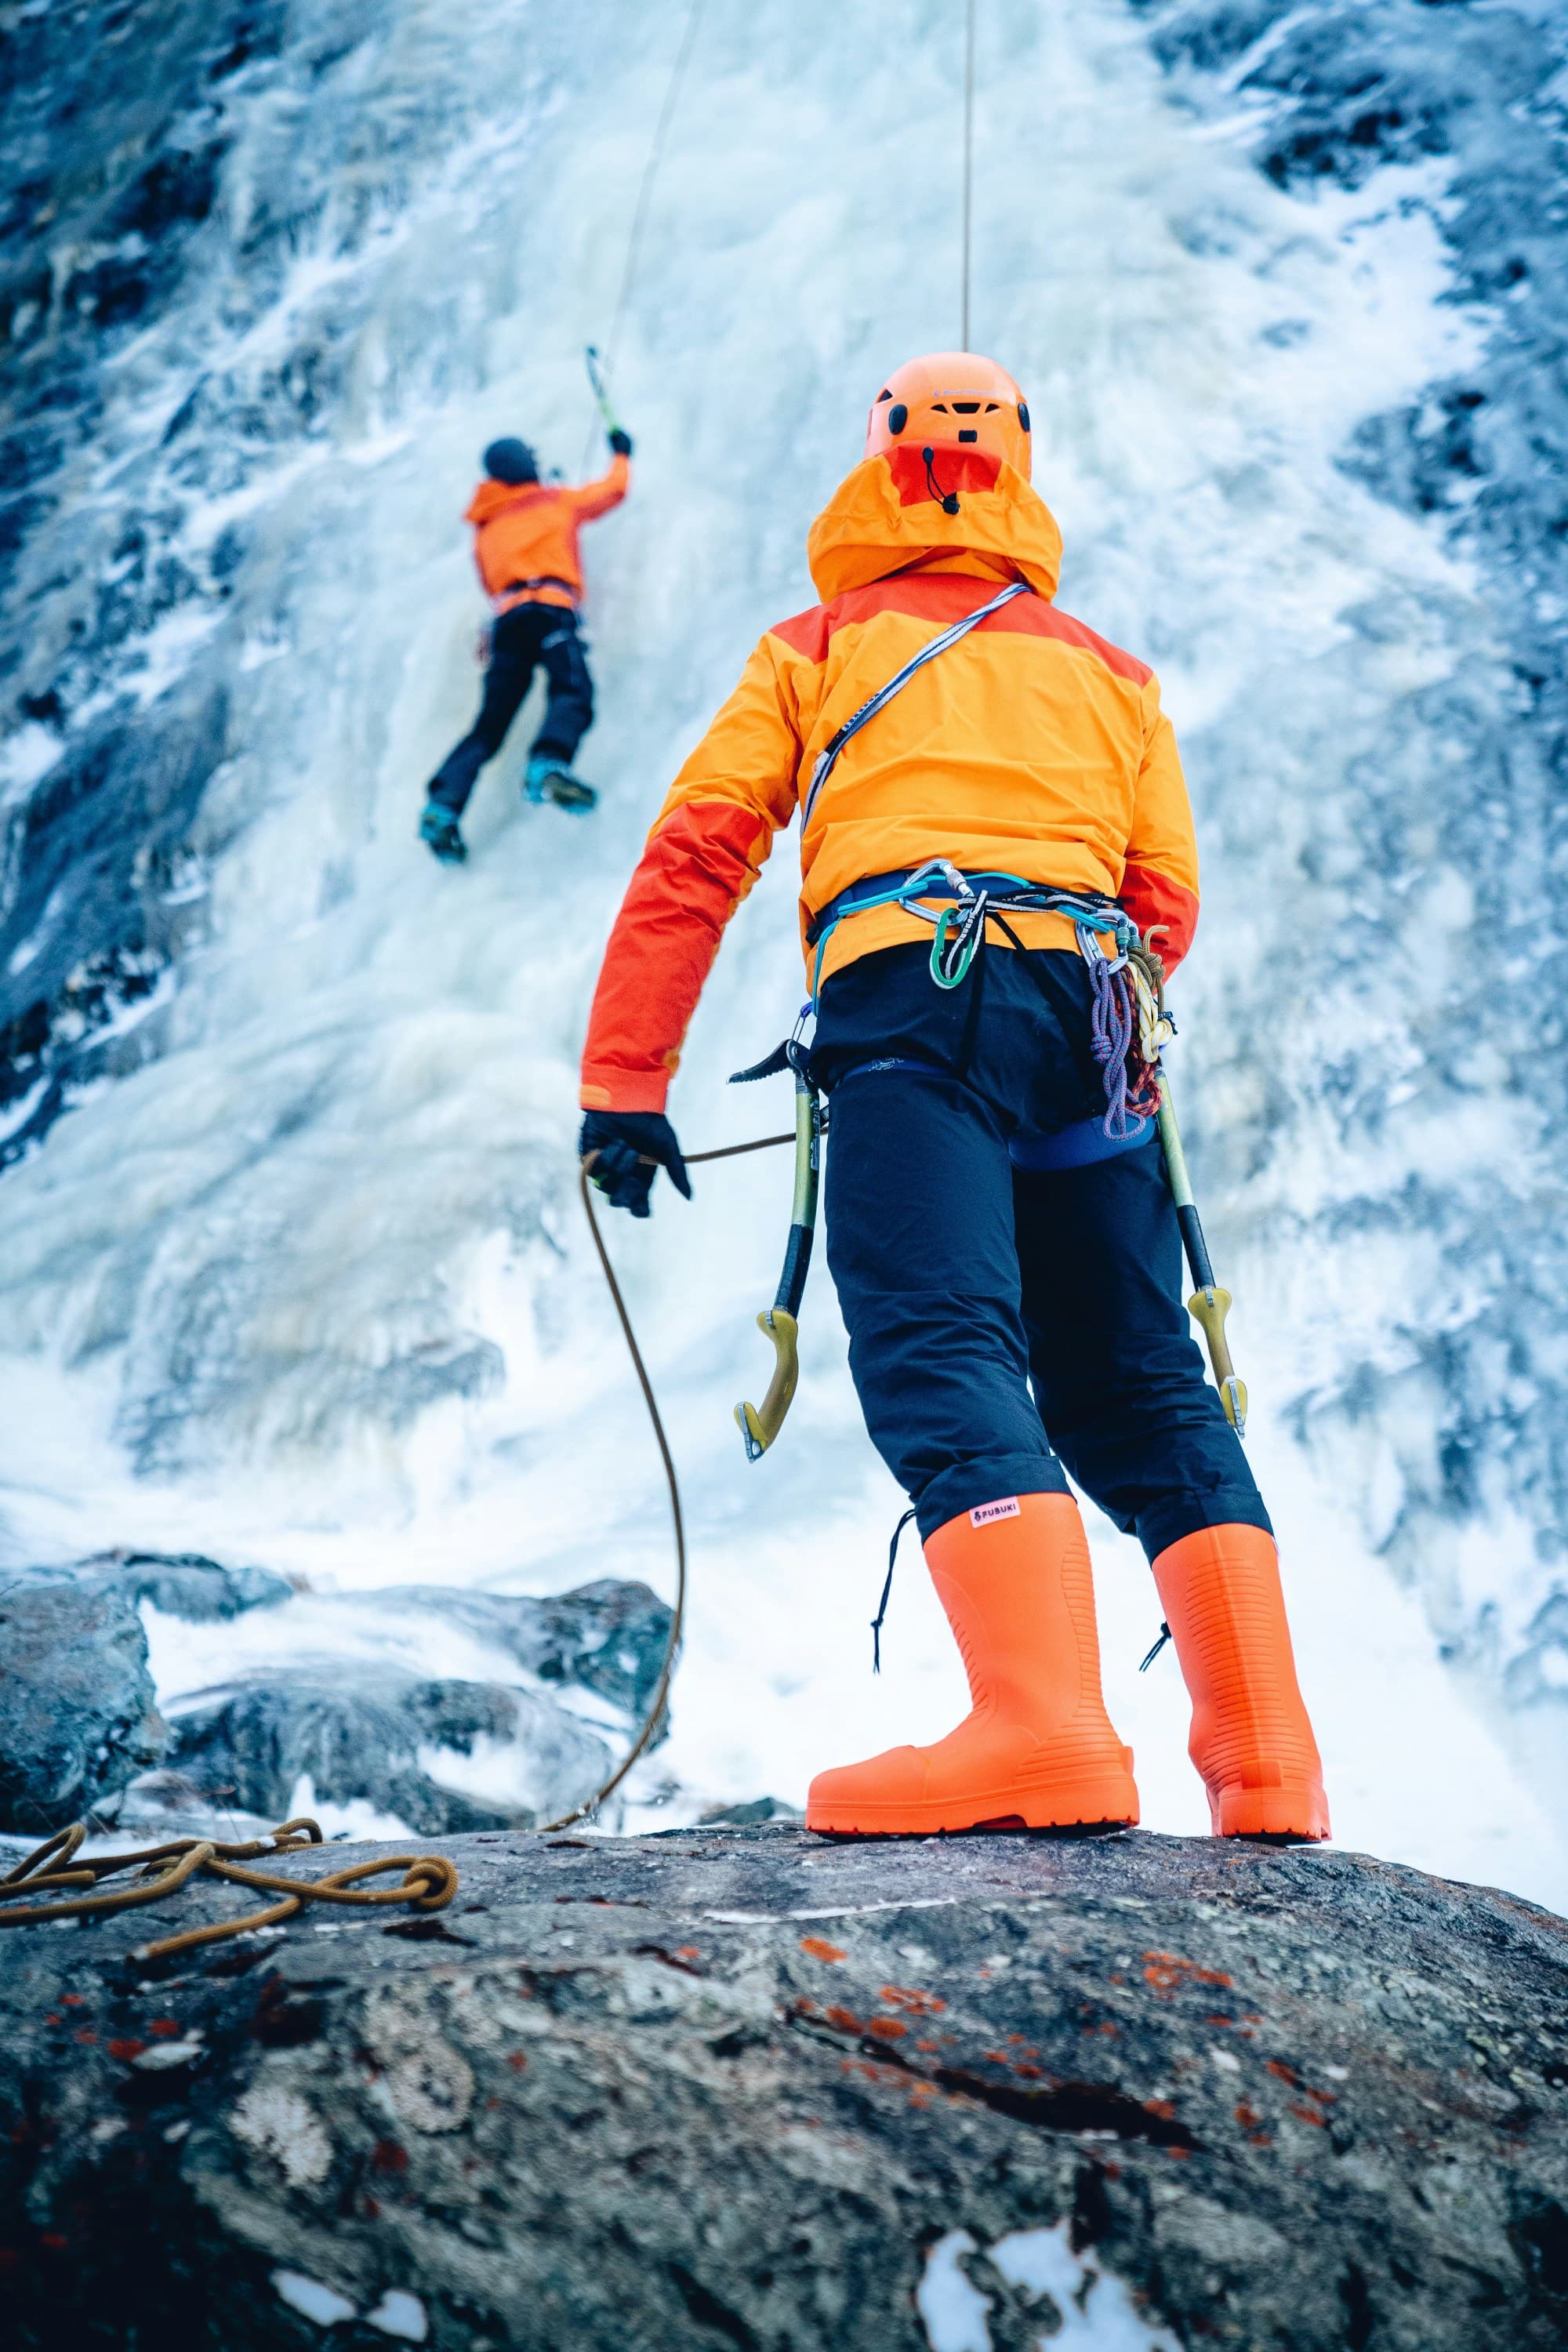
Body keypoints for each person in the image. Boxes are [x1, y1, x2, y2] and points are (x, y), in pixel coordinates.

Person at [576, 352, 1329, 1844]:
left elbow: (699, 855)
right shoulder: (1112, 672)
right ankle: (1266, 1766)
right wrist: (1075, 1004)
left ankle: (1043, 1734)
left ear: (884, 464)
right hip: (1094, 1014)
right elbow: (1164, 898)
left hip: (916, 999)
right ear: (1016, 477)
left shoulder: (818, 644)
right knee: (1134, 1376)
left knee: (938, 1336)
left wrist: (625, 1083)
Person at [419, 427, 633, 862]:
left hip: (507, 623)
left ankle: (442, 806)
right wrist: (621, 454)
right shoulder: (554, 500)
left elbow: (489, 583)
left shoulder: (486, 527)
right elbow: (612, 491)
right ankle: (548, 765)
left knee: (489, 726)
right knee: (573, 690)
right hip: (550, 609)